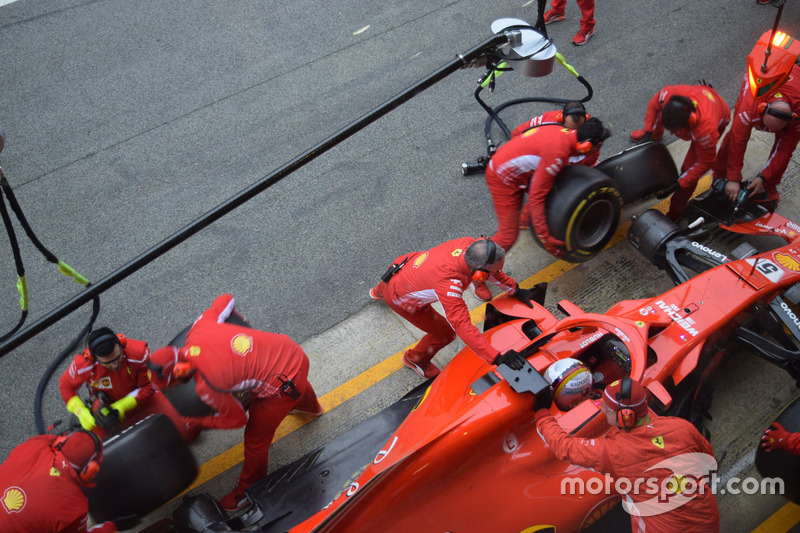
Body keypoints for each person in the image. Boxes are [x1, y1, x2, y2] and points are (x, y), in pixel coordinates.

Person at [146, 293, 324, 512]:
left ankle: (249, 491)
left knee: (256, 442)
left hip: (283, 383)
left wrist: (198, 420)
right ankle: (312, 408)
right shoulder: (199, 329)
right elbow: (226, 300)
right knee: (289, 384)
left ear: (180, 373)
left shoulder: (208, 385)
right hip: (290, 351)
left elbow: (236, 419)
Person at [535, 377, 720, 532]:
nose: (602, 410)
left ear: (625, 416)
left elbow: (564, 447)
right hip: (708, 521)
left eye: (606, 409)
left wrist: (542, 414)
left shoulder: (613, 452)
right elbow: (709, 465)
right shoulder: (681, 427)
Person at [368, 236, 539, 377]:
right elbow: (462, 327)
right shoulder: (450, 284)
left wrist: (515, 289)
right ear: (479, 274)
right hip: (401, 299)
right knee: (446, 334)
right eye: (494, 271)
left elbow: (494, 273)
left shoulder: (470, 244)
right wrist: (496, 357)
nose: (499, 273)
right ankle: (416, 359)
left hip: (402, 266)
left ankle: (378, 291)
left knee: (391, 284)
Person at [485, 117, 610, 258]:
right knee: (508, 236)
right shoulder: (557, 155)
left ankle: (525, 221)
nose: (597, 151)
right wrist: (543, 236)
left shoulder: (563, 131)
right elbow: (536, 199)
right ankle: (477, 266)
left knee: (551, 186)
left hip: (515, 166)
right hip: (502, 178)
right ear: (585, 146)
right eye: (597, 147)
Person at [58, 327, 198, 442]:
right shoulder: (82, 365)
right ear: (94, 358)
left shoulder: (138, 354)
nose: (114, 364)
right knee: (102, 457)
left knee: (187, 435)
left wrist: (123, 406)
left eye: (117, 358)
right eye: (107, 362)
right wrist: (80, 412)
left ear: (121, 343)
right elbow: (66, 386)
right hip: (106, 415)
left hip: (145, 403)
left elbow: (149, 386)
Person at [630, 85, 731, 220]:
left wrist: (679, 183)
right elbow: (655, 104)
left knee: (688, 170)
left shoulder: (706, 132)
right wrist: (649, 132)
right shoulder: (669, 95)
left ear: (690, 124)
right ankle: (655, 133)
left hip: (718, 114)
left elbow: (705, 162)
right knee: (656, 118)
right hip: (701, 97)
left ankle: (675, 214)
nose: (671, 134)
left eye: (675, 131)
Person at [711, 72, 800, 212]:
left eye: (772, 130)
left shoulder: (797, 119)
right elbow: (738, 140)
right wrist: (733, 178)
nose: (767, 131)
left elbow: (784, 151)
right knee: (735, 132)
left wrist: (763, 177)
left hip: (796, 82)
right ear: (762, 110)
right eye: (765, 126)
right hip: (763, 79)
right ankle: (719, 174)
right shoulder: (750, 106)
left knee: (783, 152)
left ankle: (769, 185)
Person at [0, 429, 116, 532]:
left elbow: (50, 439)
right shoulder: (74, 508)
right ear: (90, 470)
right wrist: (109, 528)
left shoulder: (35, 445)